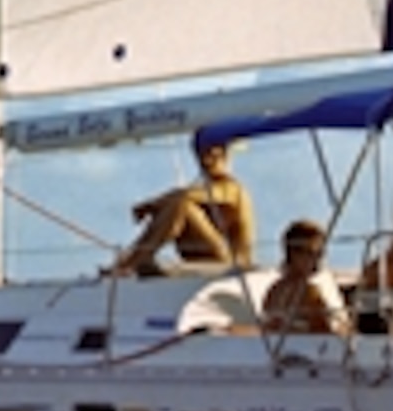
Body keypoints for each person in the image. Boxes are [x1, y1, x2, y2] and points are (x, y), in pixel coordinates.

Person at [115, 137, 255, 277]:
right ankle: (136, 256)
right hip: (198, 256)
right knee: (175, 206)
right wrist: (157, 207)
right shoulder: (202, 190)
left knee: (183, 206)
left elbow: (188, 196)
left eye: (212, 154)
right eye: (202, 154)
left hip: (230, 261)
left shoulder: (233, 189)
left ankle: (137, 258)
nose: (205, 160)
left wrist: (150, 205)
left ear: (225, 155)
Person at [260, 220, 347, 334]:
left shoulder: (273, 290)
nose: (319, 259)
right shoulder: (309, 292)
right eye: (313, 253)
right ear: (294, 254)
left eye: (321, 253)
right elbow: (326, 333)